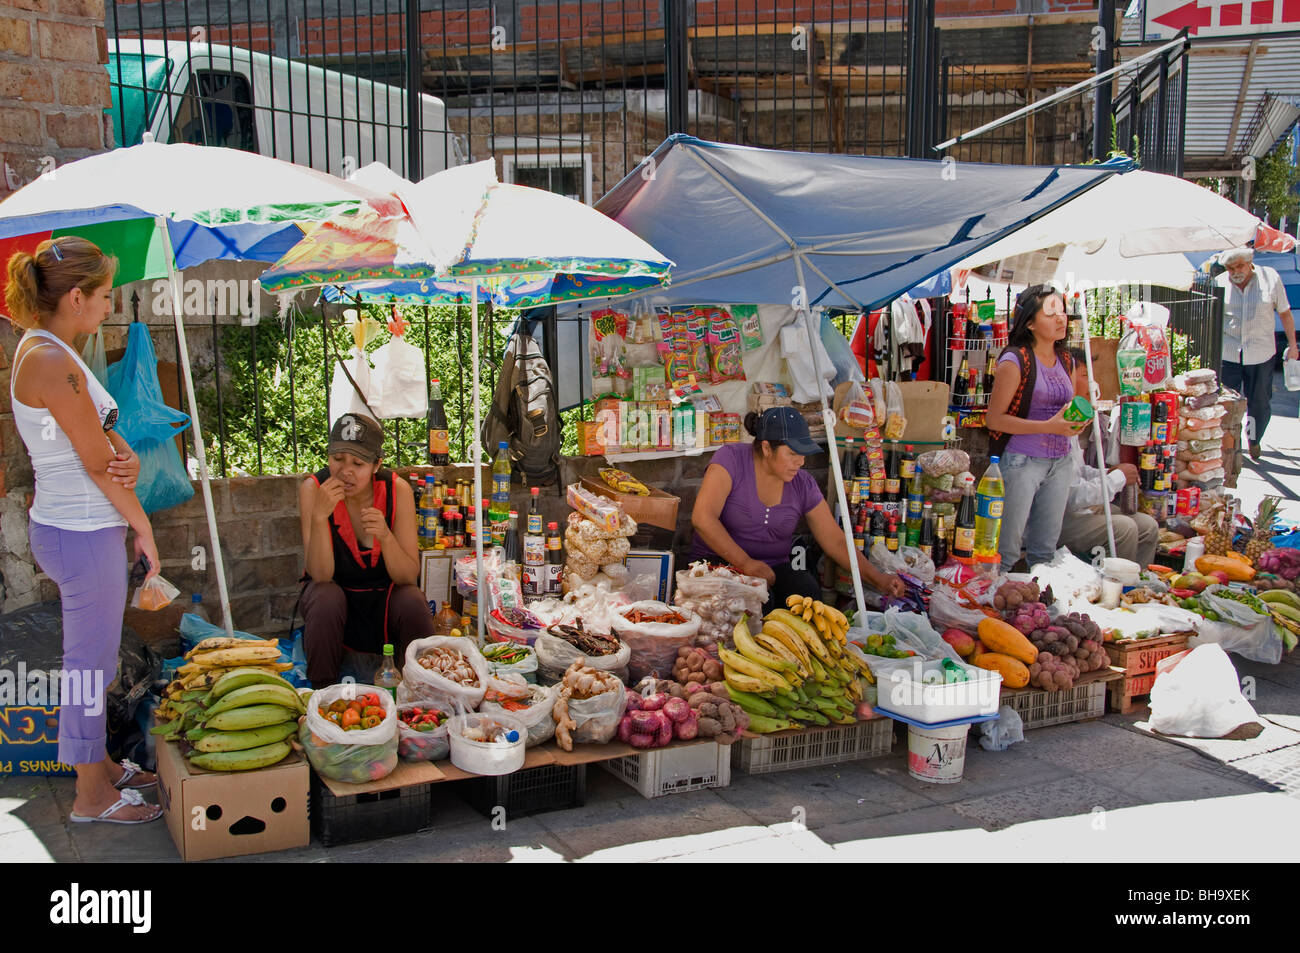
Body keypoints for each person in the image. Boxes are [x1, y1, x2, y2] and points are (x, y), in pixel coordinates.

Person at [5, 237, 161, 824]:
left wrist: (129, 457)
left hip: (81, 523)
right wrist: (142, 526)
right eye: (102, 296)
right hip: (81, 529)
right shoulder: (48, 359)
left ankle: (101, 766)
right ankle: (90, 797)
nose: (109, 306)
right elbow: (94, 460)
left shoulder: (53, 350)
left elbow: (100, 436)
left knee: (91, 663)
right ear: (74, 297)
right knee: (88, 669)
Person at [691, 406, 905, 611]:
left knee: (807, 595)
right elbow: (703, 518)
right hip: (721, 568)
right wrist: (746, 563)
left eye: (803, 454)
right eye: (793, 453)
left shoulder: (802, 483)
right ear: (766, 448)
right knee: (753, 604)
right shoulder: (731, 459)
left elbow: (835, 540)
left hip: (774, 571)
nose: (800, 462)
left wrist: (878, 579)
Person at [298, 412, 435, 686]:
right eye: (337, 459)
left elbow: (408, 575)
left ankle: (422, 690)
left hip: (384, 600)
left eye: (358, 463)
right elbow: (321, 574)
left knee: (412, 600)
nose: (345, 471)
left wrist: (385, 536)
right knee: (325, 596)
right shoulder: (314, 489)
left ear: (376, 466)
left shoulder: (397, 490)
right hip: (335, 602)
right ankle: (321, 693)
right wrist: (318, 517)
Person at [985, 284, 1087, 573]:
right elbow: (994, 420)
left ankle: (1037, 610)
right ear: (1029, 322)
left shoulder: (1066, 359)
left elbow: (1067, 408)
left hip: (1061, 461)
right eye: (1051, 313)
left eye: (1063, 312)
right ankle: (991, 606)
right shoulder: (1014, 360)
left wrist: (1077, 422)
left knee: (1045, 552)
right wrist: (1047, 425)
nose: (1061, 319)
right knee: (1005, 551)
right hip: (1022, 462)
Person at [1056, 349, 1159, 568]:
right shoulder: (1057, 423)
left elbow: (1080, 471)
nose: (1091, 385)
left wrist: (1109, 473)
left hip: (1085, 509)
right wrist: (1117, 479)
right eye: (1084, 376)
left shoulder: (1072, 418)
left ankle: (1138, 587)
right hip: (1061, 517)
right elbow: (1073, 495)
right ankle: (1117, 589)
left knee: (1148, 525)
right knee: (1124, 529)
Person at [1214, 246, 1298, 460]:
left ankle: (1254, 439)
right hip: (1230, 353)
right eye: (1231, 268)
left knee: (1259, 402)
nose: (1236, 272)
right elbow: (1213, 320)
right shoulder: (1220, 282)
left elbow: (1286, 314)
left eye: (1239, 266)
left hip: (1261, 353)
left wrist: (1293, 346)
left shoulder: (1270, 278)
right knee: (1228, 403)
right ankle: (1233, 445)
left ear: (1250, 262)